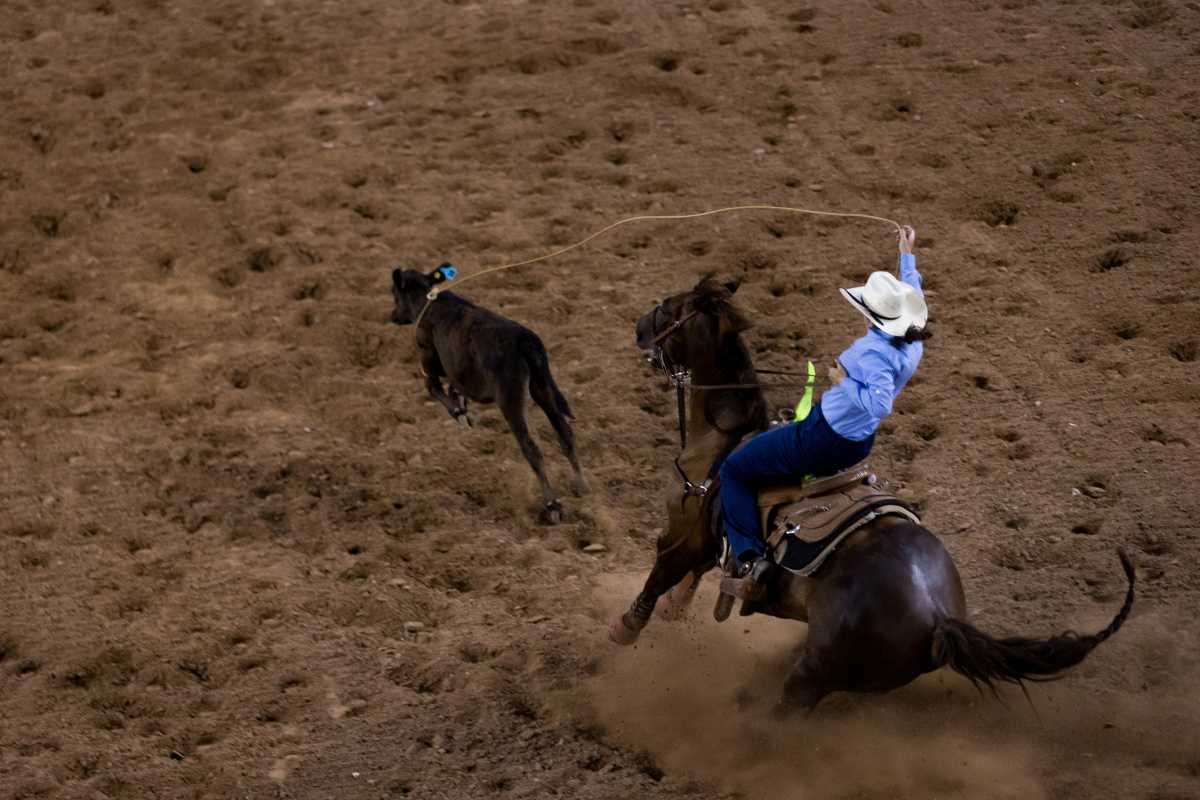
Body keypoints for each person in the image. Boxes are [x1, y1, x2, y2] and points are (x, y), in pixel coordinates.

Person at [718, 224, 929, 597]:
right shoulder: (910, 341)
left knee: (734, 470)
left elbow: (881, 404)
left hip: (823, 440)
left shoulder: (873, 352)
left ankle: (751, 558)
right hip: (859, 442)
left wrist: (841, 382)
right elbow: (914, 292)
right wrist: (906, 255)